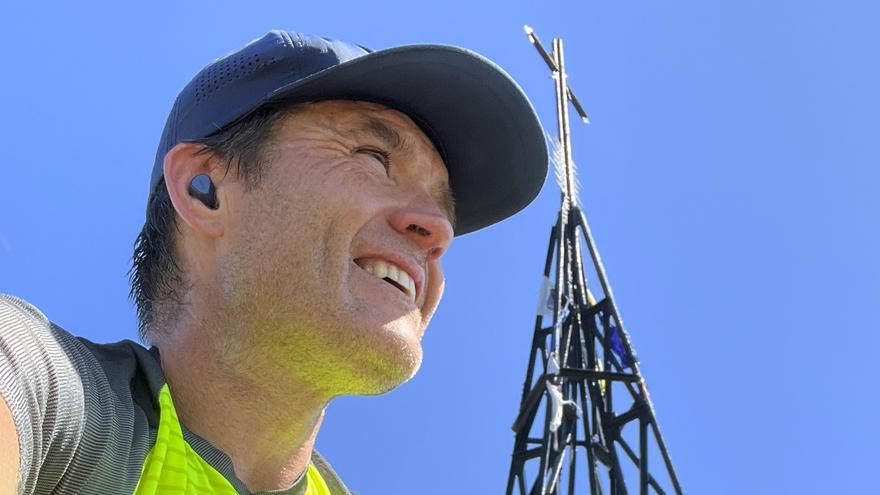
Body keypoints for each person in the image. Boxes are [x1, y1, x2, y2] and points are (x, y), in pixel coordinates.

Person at [0, 30, 547, 494]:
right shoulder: (44, 394)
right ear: (205, 190)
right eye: (375, 157)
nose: (439, 231)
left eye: (443, 208)